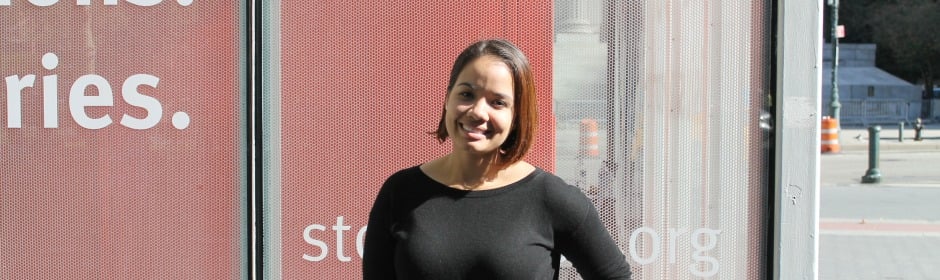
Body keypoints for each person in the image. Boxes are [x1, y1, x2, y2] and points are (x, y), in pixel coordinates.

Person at [362, 39, 631, 280]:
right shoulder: (400, 192)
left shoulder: (551, 198)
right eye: (466, 94)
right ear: (447, 99)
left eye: (498, 102)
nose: (478, 111)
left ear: (517, 115)